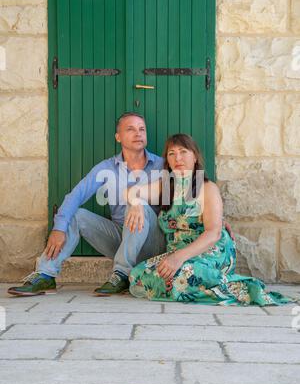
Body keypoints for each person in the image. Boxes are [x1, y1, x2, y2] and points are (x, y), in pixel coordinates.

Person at [8, 112, 166, 297]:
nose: (138, 133)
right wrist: (59, 228)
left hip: (153, 245)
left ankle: (122, 274)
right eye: (130, 129)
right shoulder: (106, 168)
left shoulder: (162, 165)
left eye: (142, 129)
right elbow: (76, 196)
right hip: (121, 240)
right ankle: (45, 274)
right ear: (118, 137)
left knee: (138, 204)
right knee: (77, 215)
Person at [126, 134, 293, 306]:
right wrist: (136, 203)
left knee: (182, 274)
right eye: (171, 153)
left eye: (183, 152)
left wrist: (178, 258)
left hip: (210, 250)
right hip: (178, 250)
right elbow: (131, 191)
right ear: (167, 160)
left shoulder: (207, 187)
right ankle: (192, 285)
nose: (178, 158)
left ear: (195, 156)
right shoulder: (166, 186)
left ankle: (233, 285)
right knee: (136, 275)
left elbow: (213, 233)